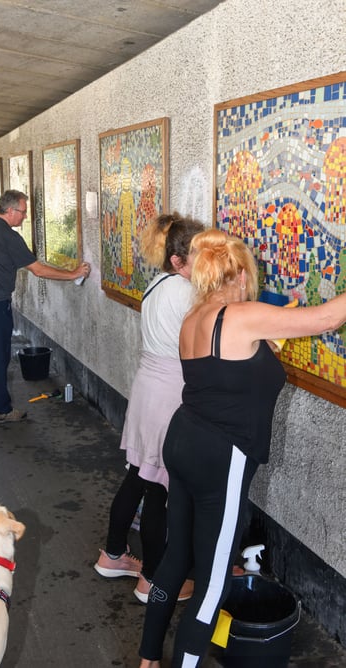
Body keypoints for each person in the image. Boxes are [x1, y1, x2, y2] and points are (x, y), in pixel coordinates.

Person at [138, 228, 346, 668]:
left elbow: (226, 374)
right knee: (213, 584)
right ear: (240, 274)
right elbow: (328, 317)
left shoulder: (195, 317)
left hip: (183, 439)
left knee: (176, 557)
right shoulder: (241, 315)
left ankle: (148, 659)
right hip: (221, 454)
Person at [94, 212, 204, 603]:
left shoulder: (158, 282)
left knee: (140, 477)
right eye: (201, 255)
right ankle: (154, 580)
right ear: (178, 260)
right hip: (170, 394)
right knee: (158, 489)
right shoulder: (185, 290)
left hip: (148, 389)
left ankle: (113, 554)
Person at [0, 189, 90, 424]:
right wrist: (73, 274)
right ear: (10, 210)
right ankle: (1, 410)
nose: (24, 217)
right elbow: (38, 270)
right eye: (22, 212)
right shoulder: (9, 237)